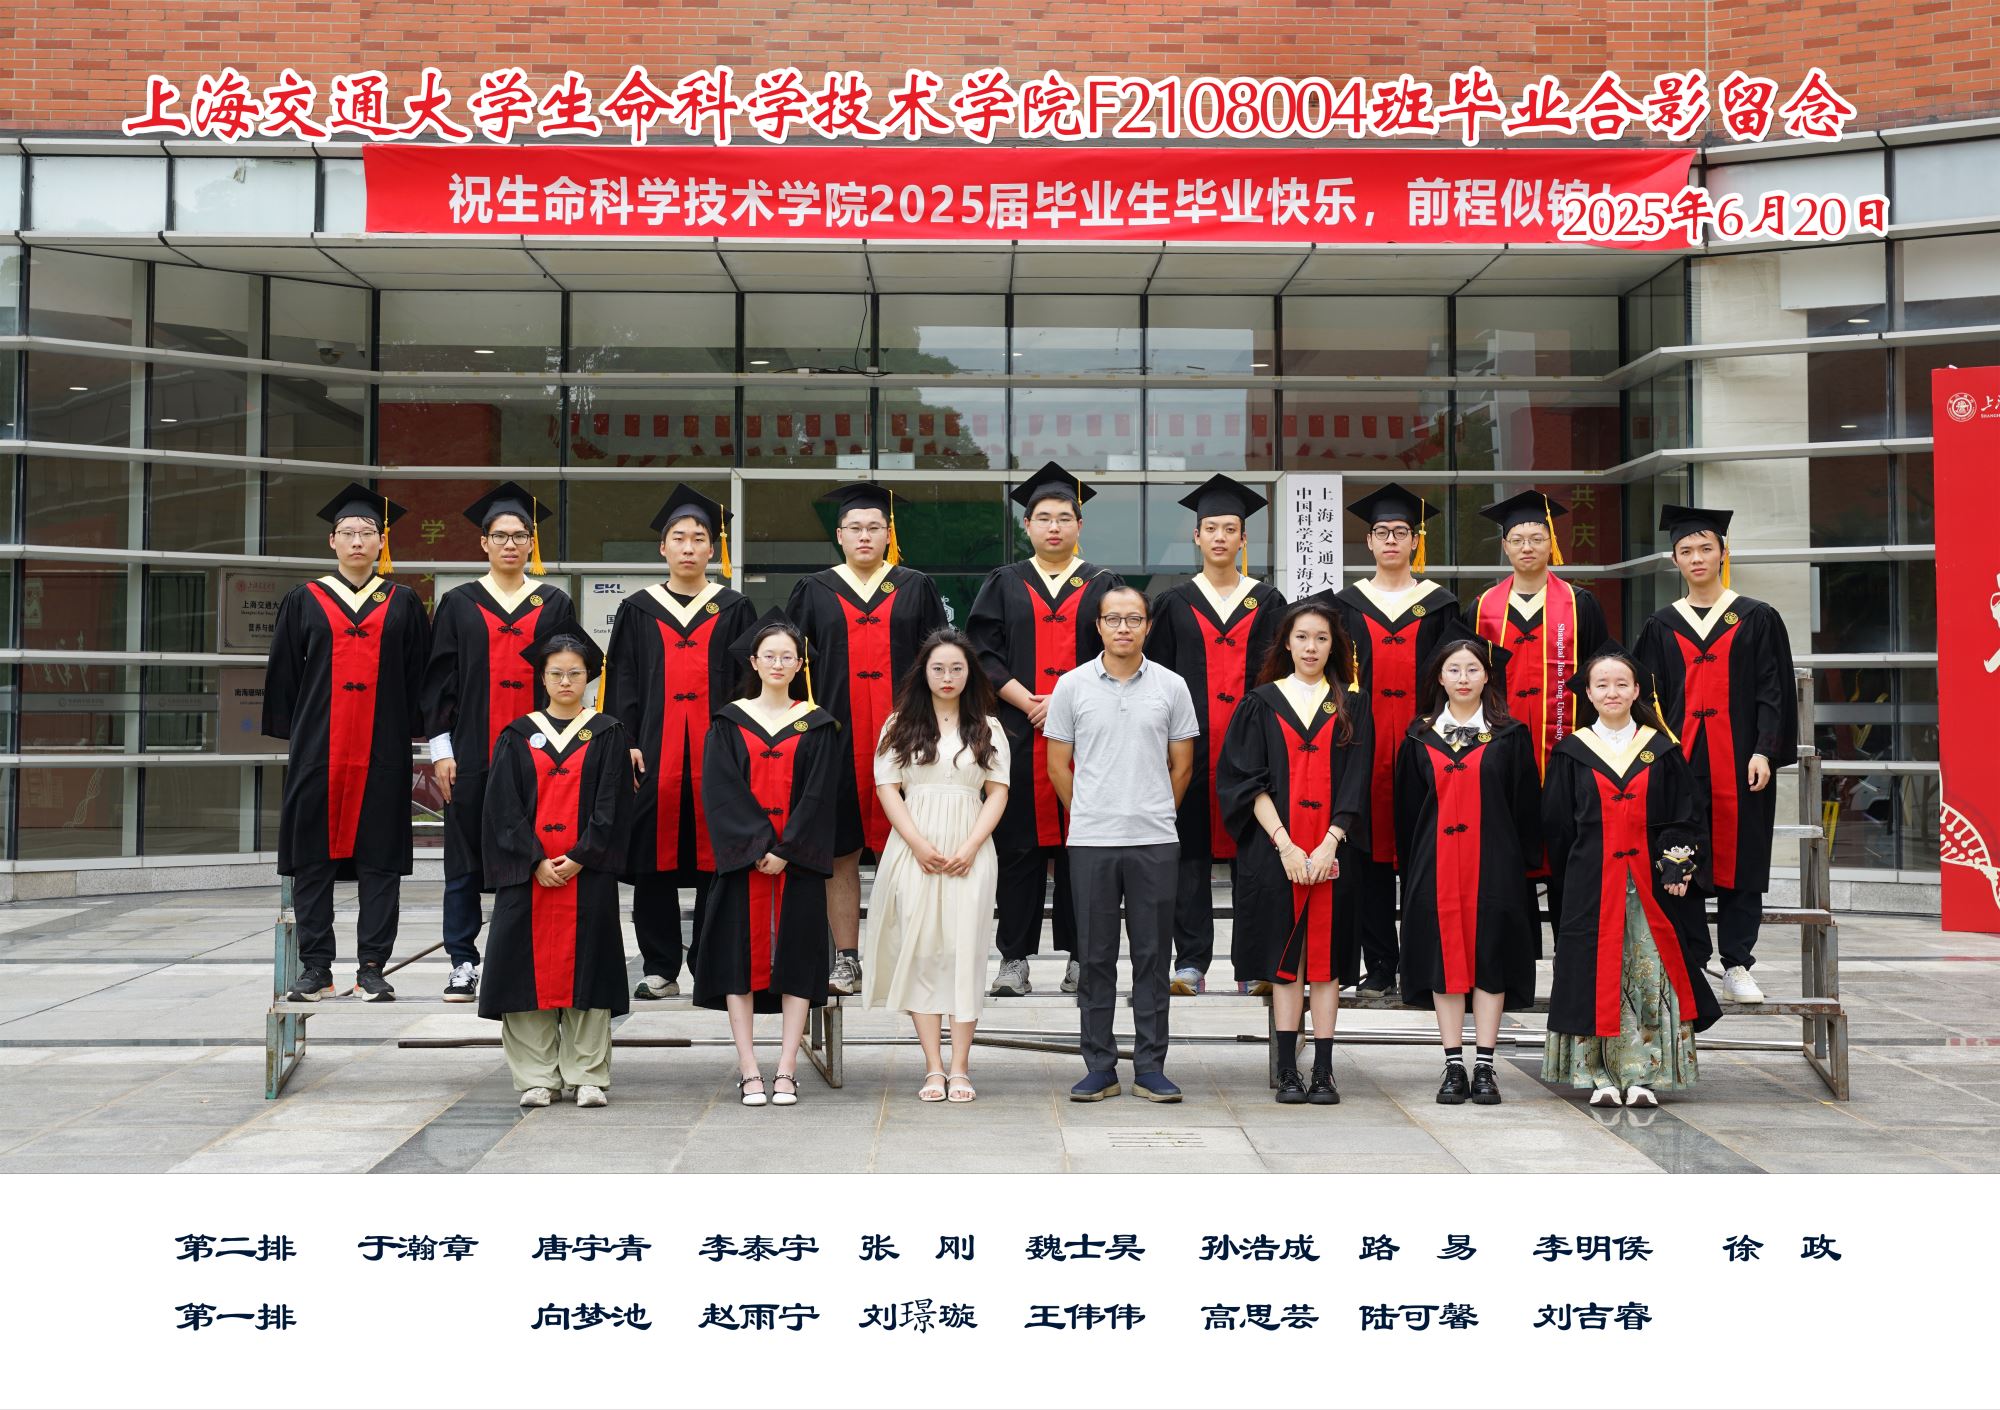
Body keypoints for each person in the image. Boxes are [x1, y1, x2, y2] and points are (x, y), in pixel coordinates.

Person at [266, 482, 431, 1003]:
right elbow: (285, 676)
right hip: (319, 751)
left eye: (367, 532)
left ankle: (372, 967)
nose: (358, 541)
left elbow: (418, 677)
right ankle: (316, 968)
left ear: (382, 542)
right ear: (332, 541)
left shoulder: (403, 603)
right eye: (348, 532)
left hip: (382, 750)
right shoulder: (304, 600)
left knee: (380, 861)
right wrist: (302, 732)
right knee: (312, 860)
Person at [785, 483, 949, 997]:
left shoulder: (915, 586)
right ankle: (848, 959)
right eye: (854, 528)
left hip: (910, 739)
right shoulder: (814, 589)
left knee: (913, 847)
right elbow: (790, 668)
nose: (864, 536)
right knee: (840, 853)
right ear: (839, 535)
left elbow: (943, 661)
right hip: (835, 739)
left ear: (888, 534)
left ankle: (908, 955)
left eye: (874, 527)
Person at [967, 462, 1124, 998]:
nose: (1053, 527)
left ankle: (1083, 959)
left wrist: (1063, 700)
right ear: (1027, 525)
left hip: (1091, 736)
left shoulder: (1104, 585)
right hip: (1017, 732)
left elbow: (1119, 649)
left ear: (1080, 525)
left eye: (1063, 518)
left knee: (1085, 850)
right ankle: (1014, 960)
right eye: (1043, 518)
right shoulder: (1004, 582)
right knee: (1018, 851)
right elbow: (982, 652)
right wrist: (1027, 699)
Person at [1543, 645, 1722, 1108]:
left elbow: (1686, 815)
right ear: (1587, 692)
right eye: (1601, 684)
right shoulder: (1572, 752)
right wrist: (1571, 879)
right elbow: (1557, 827)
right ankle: (1597, 1074)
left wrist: (1678, 863)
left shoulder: (1661, 750)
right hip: (1591, 884)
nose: (1612, 692)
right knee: (1593, 972)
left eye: (1622, 684)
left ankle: (1647, 1075)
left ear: (1637, 690)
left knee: (1650, 974)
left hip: (1649, 885)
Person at [1634, 505, 1799, 1004]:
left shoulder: (1756, 617)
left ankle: (1737, 963)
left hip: (1741, 761)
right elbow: (1646, 699)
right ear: (1674, 560)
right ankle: (1690, 959)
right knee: (1677, 852)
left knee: (1742, 856)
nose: (1697, 558)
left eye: (1706, 548)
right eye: (1686, 550)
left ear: (1724, 553)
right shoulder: (1661, 625)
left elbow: (1774, 690)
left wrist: (1765, 751)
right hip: (1680, 762)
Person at [421, 482, 578, 1003]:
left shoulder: (553, 602)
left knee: (533, 852)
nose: (511, 544)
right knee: (463, 860)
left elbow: (568, 677)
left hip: (540, 755)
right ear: (484, 543)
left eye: (520, 536)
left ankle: (523, 954)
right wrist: (441, 751)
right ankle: (462, 962)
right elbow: (439, 684)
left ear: (532, 543)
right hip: (470, 751)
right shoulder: (459, 603)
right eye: (501, 536)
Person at [1045, 586, 1200, 1103]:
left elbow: (1183, 765)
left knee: (1153, 957)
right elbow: (1057, 766)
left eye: (1134, 619)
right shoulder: (1071, 686)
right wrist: (1091, 811)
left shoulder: (1172, 686)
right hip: (1092, 840)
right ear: (1099, 626)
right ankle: (1100, 1066)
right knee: (1095, 956)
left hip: (1155, 839)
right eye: (1113, 619)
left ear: (1148, 626)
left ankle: (1151, 1067)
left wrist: (1154, 810)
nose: (1123, 628)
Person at [1308, 483, 1462, 995]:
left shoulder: (1440, 605)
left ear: (1415, 541)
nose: (1391, 539)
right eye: (1381, 532)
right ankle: (1378, 965)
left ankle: (1421, 966)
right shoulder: (1344, 606)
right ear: (1369, 541)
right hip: (1362, 746)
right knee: (1367, 855)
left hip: (1425, 747)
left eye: (1400, 532)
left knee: (1425, 854)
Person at [604, 484, 756, 1001]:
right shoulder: (638, 609)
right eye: (679, 538)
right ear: (662, 548)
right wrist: (624, 740)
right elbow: (621, 680)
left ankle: (710, 963)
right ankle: (660, 967)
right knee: (652, 861)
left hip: (718, 755)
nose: (689, 547)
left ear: (714, 549)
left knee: (718, 858)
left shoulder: (735, 607)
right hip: (653, 754)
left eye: (698, 539)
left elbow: (749, 683)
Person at [1215, 603, 1370, 1106]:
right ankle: (1287, 1070)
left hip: (1333, 855)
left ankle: (1323, 1071)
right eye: (1302, 637)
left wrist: (1329, 842)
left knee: (1326, 964)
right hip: (1274, 854)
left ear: (1333, 646)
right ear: (1286, 642)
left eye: (1321, 638)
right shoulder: (1260, 703)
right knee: (1286, 963)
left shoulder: (1351, 704)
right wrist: (1285, 844)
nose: (1310, 647)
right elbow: (1245, 781)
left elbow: (1357, 780)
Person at [692, 609, 842, 1108]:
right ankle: (749, 1068)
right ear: (753, 662)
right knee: (738, 964)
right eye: (769, 656)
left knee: (797, 962)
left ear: (800, 664)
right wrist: (760, 848)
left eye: (787, 657)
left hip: (797, 866)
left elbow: (820, 795)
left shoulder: (818, 724)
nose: (778, 664)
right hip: (744, 866)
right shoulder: (727, 722)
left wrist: (787, 849)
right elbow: (720, 792)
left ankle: (787, 1068)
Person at [1145, 474, 1288, 996]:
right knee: (1189, 858)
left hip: (1255, 752)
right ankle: (1190, 963)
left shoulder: (1269, 602)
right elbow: (1155, 678)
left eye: (1230, 529)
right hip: (1189, 750)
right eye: (1211, 528)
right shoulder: (1174, 602)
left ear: (1244, 539)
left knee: (1256, 859)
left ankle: (1253, 965)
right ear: (1197, 537)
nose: (1220, 537)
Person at [480, 631, 633, 1108]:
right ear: (542, 678)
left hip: (587, 873)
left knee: (591, 972)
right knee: (523, 975)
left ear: (589, 678)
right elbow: (502, 807)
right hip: (529, 875)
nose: (566, 681)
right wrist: (535, 859)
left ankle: (587, 1075)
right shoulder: (517, 734)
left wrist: (581, 856)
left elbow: (613, 804)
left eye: (575, 673)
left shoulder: (607, 732)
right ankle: (537, 1078)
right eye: (556, 673)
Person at [861, 630, 1011, 1103]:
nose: (948, 677)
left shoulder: (988, 726)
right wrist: (918, 844)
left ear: (970, 674)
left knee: (965, 952)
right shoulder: (899, 725)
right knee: (922, 951)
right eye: (938, 668)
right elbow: (888, 788)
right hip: (914, 850)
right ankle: (932, 1067)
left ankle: (961, 1068)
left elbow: (997, 792)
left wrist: (971, 845)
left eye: (957, 668)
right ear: (923, 673)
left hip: (971, 850)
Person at [1393, 636, 1542, 1106]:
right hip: (1434, 865)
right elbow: (1407, 811)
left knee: (1489, 958)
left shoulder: (1510, 735)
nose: (1463, 678)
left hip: (1495, 866)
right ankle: (1453, 1064)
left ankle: (1485, 1067)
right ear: (1439, 677)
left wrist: (1520, 865)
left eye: (1472, 669)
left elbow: (1524, 805)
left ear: (1487, 676)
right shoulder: (1419, 736)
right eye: (1454, 670)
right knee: (1444, 961)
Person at [1469, 490, 1609, 947]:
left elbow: (1601, 674)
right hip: (1502, 755)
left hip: (1568, 752)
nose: (1527, 547)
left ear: (1552, 544)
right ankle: (1515, 958)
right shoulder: (1482, 607)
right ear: (1504, 547)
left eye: (1536, 538)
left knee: (1569, 851)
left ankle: (1573, 954)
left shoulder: (1580, 604)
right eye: (1517, 539)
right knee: (1508, 853)